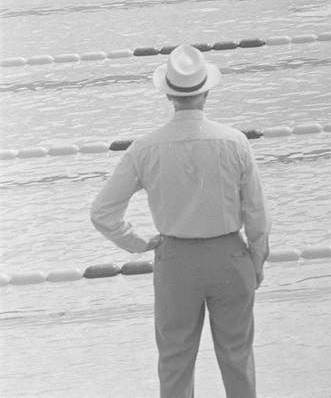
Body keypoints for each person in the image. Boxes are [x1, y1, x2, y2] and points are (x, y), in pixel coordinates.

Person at [90, 45, 270, 398]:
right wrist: (257, 257)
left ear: (169, 96)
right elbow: (256, 212)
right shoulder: (234, 142)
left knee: (175, 362)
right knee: (237, 358)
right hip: (230, 257)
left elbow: (102, 213)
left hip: (175, 260)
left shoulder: (144, 148)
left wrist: (139, 243)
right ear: (206, 91)